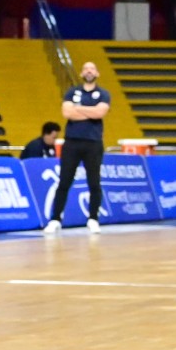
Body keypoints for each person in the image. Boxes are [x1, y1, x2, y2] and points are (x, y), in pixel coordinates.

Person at [44, 62, 110, 234]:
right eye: (86, 68)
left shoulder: (103, 93)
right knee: (64, 181)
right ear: (81, 73)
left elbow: (100, 113)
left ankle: (93, 219)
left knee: (94, 182)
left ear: (97, 73)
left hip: (93, 143)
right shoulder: (72, 91)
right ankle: (55, 219)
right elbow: (67, 113)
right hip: (72, 142)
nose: (89, 70)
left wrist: (79, 109)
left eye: (92, 68)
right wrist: (90, 112)